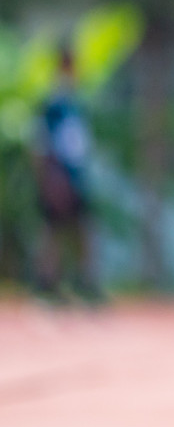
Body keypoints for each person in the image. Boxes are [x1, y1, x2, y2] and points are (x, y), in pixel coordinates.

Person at [30, 45, 103, 305]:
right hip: (59, 177)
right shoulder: (54, 105)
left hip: (75, 176)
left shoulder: (76, 103)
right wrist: (50, 179)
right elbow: (40, 145)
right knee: (54, 233)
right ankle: (46, 285)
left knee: (82, 230)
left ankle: (84, 283)